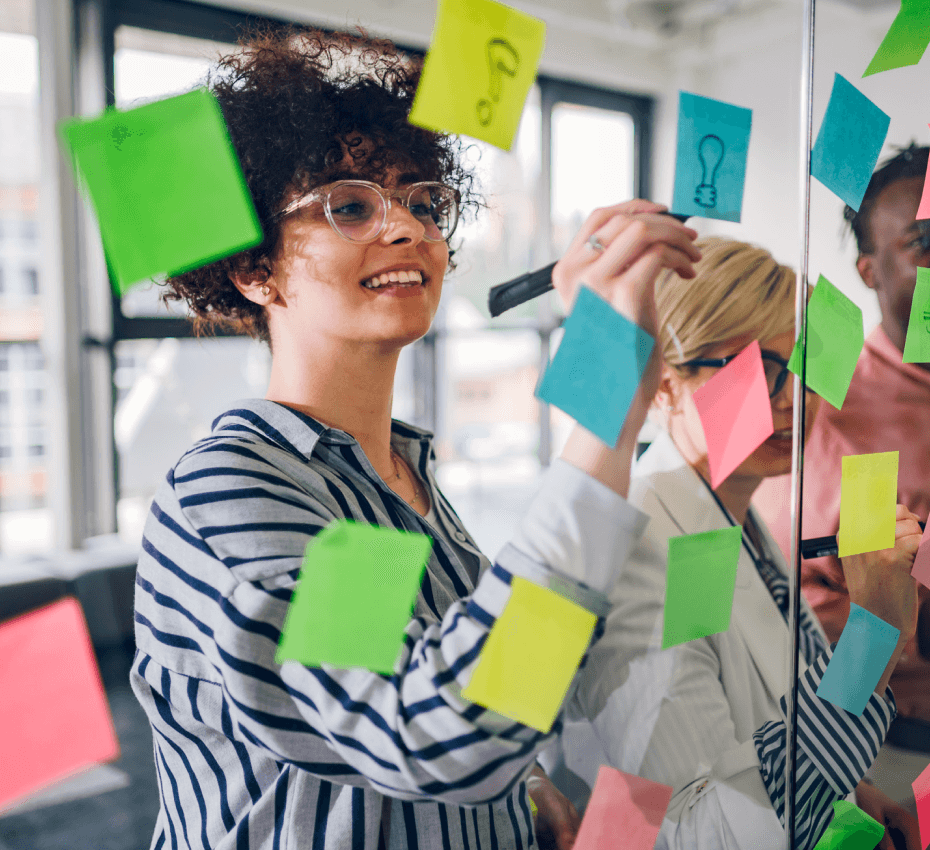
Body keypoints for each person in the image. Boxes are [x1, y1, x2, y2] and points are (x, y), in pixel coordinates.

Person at [129, 27, 703, 850]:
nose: (407, 229)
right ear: (255, 271)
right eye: (350, 205)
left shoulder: (396, 476)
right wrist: (611, 390)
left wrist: (524, 778)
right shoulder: (233, 489)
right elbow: (435, 736)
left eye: (425, 203)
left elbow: (427, 687)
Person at [542, 238, 923, 850]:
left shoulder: (736, 521)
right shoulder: (644, 542)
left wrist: (853, 798)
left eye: (801, 365)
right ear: (663, 385)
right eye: (755, 371)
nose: (790, 398)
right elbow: (697, 828)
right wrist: (869, 636)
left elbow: (768, 737)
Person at [754, 144, 930, 839]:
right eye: (926, 240)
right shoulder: (829, 414)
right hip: (889, 759)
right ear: (869, 270)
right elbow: (831, 611)